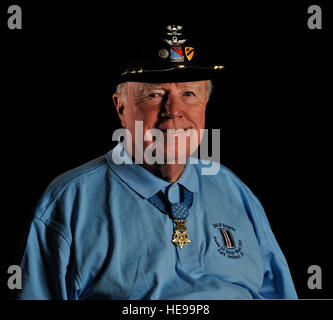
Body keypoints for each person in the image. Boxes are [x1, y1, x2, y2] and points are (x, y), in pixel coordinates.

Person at [16, 22, 297, 299]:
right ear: (121, 107)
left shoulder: (233, 189)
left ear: (205, 105)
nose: (173, 111)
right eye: (154, 95)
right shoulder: (69, 201)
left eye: (188, 94)